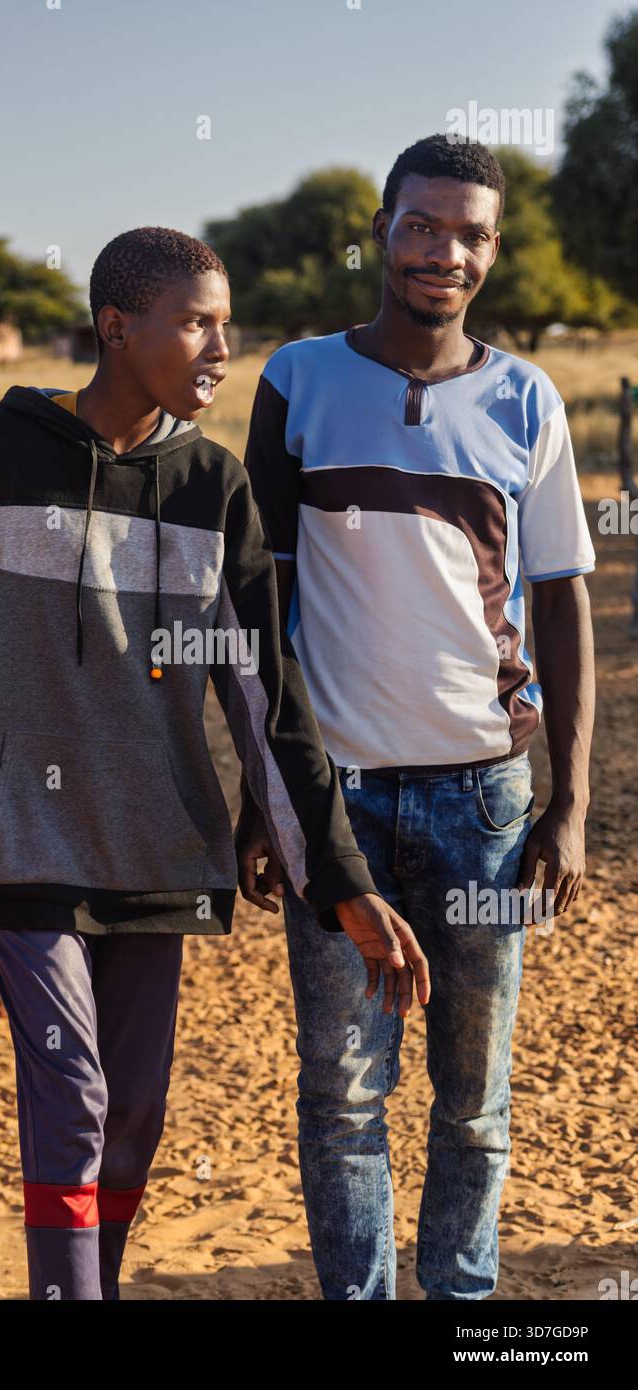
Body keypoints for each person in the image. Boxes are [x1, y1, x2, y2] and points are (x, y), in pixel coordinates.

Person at [0, 226, 430, 1301]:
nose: (222, 344)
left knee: (132, 1117)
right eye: (197, 320)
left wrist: (336, 878)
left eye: (227, 322)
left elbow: (270, 702)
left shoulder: (212, 487)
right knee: (72, 1093)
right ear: (117, 327)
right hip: (16, 839)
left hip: (159, 850)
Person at [237, 135, 596, 1301]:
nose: (446, 251)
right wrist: (265, 794)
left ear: (491, 251)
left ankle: (460, 1307)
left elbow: (562, 602)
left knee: (472, 1098)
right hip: (332, 799)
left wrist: (570, 803)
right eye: (423, 225)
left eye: (471, 234)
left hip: (484, 797)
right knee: (340, 1096)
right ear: (381, 231)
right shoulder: (296, 380)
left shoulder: (524, 398)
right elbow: (263, 605)